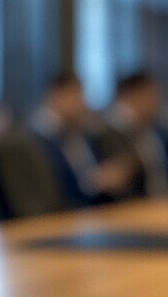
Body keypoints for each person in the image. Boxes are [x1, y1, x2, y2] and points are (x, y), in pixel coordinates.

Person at [31, 72, 136, 206]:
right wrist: (94, 182)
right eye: (75, 96)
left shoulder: (84, 134)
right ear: (54, 96)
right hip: (66, 215)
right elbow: (54, 190)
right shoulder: (38, 142)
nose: (82, 103)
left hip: (98, 210)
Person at [99, 71, 168, 196]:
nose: (157, 101)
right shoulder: (111, 135)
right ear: (131, 95)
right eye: (150, 94)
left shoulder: (158, 130)